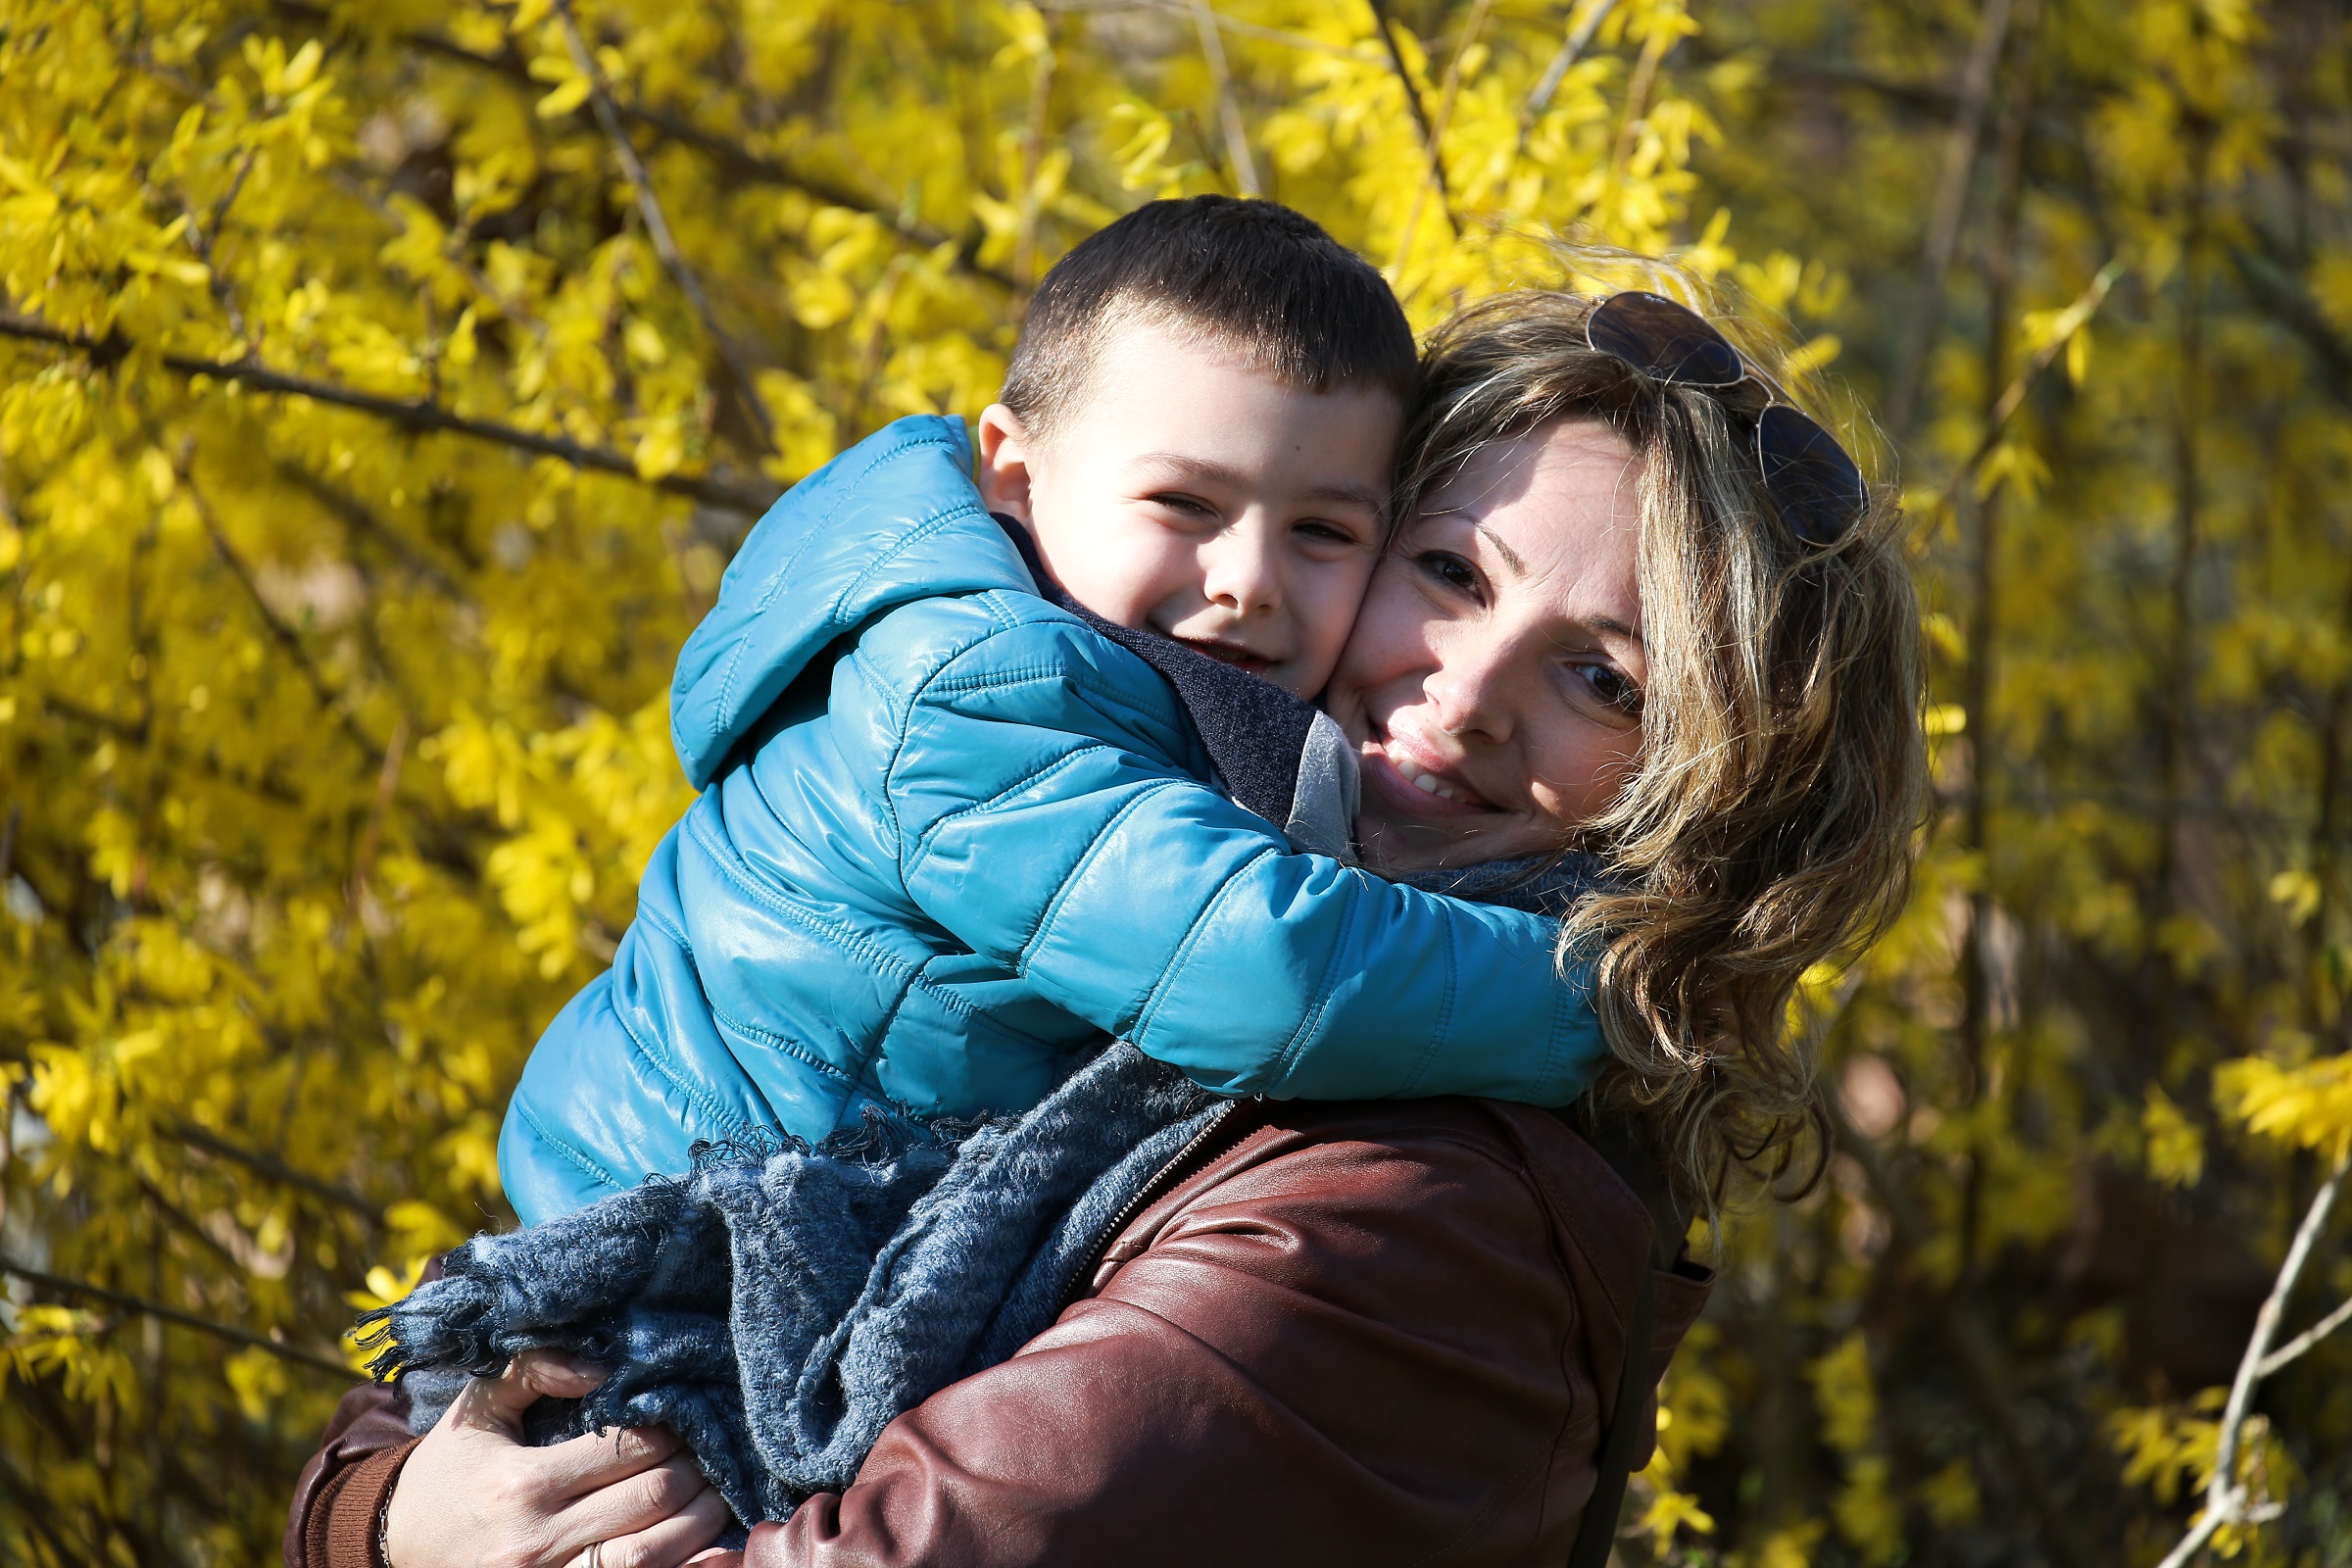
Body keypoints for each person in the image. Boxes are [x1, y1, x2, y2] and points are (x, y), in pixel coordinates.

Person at [288, 274, 1926, 1567]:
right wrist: (386, 1513)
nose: (1463, 694)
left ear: (1719, 794)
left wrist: (379, 1533)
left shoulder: (1412, 1216)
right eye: (1446, 570)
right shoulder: (1124, 899)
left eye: (1604, 681)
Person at [496, 195, 1617, 1230]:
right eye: (1185, 502)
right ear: (1014, 477)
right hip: (650, 1220)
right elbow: (1263, 965)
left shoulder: (1137, 684)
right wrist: (1595, 997)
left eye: (1324, 533)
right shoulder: (973, 687)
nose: (1249, 579)